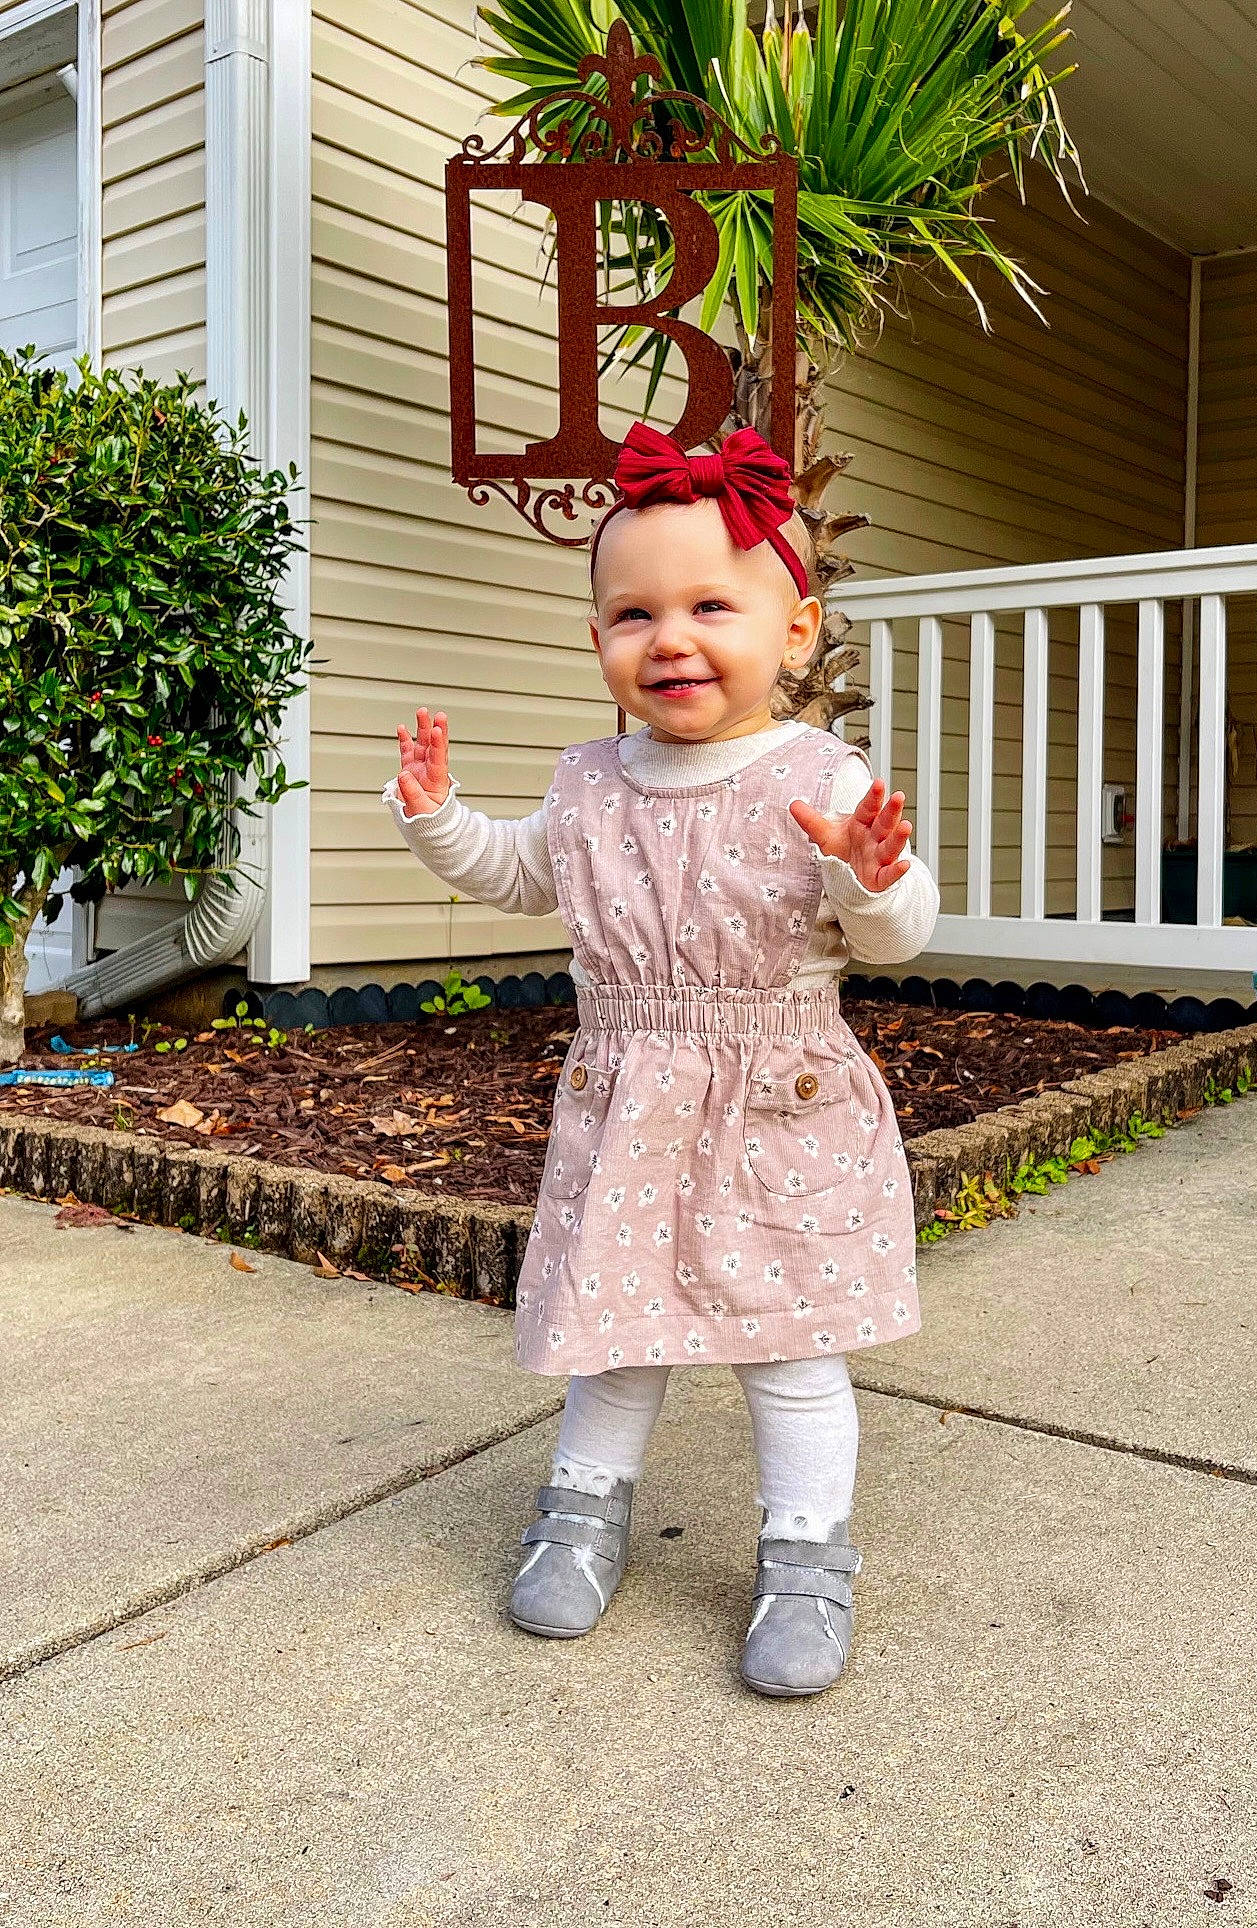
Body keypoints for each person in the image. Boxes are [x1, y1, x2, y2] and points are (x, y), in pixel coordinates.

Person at [384, 422, 939, 1696]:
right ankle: (583, 1514)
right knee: (613, 1333)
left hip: (778, 1106)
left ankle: (807, 1554)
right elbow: (525, 874)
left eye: (709, 604)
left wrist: (877, 875)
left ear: (794, 631)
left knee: (789, 1346)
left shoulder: (820, 772)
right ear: (597, 642)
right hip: (630, 1100)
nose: (669, 636)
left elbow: (898, 937)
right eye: (632, 612)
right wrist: (435, 821)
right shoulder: (588, 783)